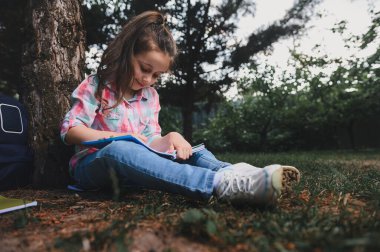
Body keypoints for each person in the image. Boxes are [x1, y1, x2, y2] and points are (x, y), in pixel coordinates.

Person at [60, 11, 300, 205]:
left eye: (156, 75)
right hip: (94, 166)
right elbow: (71, 131)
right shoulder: (96, 85)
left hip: (137, 168)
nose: (148, 80)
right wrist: (119, 137)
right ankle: (219, 184)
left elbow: (150, 140)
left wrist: (170, 138)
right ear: (127, 53)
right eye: (144, 68)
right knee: (120, 149)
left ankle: (247, 177)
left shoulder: (150, 96)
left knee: (193, 151)